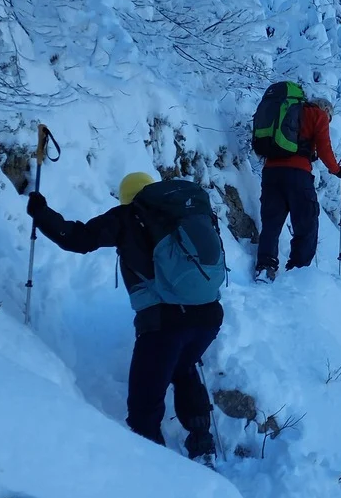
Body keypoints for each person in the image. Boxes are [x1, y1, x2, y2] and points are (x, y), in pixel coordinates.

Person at [26, 172, 225, 464]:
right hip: (208, 316)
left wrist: (41, 213)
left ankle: (156, 471)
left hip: (163, 325)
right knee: (183, 369)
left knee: (144, 407)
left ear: (126, 197)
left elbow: (77, 238)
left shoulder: (127, 216)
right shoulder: (181, 217)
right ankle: (202, 443)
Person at [255, 96, 341, 281]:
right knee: (306, 223)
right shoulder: (317, 115)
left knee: (271, 223)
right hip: (298, 175)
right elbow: (324, 148)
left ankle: (265, 267)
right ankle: (297, 272)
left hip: (271, 173)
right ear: (326, 111)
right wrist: (338, 171)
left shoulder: (286, 112)